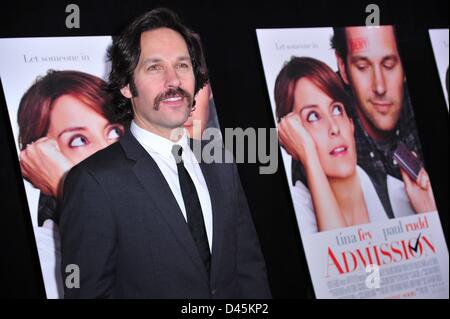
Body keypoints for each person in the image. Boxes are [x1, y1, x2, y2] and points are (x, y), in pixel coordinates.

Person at [59, 8, 271, 298]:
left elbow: (248, 270)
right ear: (125, 85)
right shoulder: (94, 182)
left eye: (183, 65)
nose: (173, 81)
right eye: (154, 67)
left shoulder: (219, 160)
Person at [276, 57, 436, 233]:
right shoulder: (295, 209)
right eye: (313, 116)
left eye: (337, 110)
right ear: (293, 135)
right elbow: (337, 254)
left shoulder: (400, 194)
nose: (334, 128)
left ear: (351, 123)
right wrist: (309, 157)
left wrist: (431, 214)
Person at [17, 70, 125, 298]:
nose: (108, 150)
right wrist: (69, 190)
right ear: (42, 157)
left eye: (114, 132)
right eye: (78, 140)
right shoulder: (44, 254)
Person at [330, 25, 426, 219]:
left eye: (389, 65)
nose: (379, 87)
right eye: (363, 67)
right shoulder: (325, 120)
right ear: (344, 68)